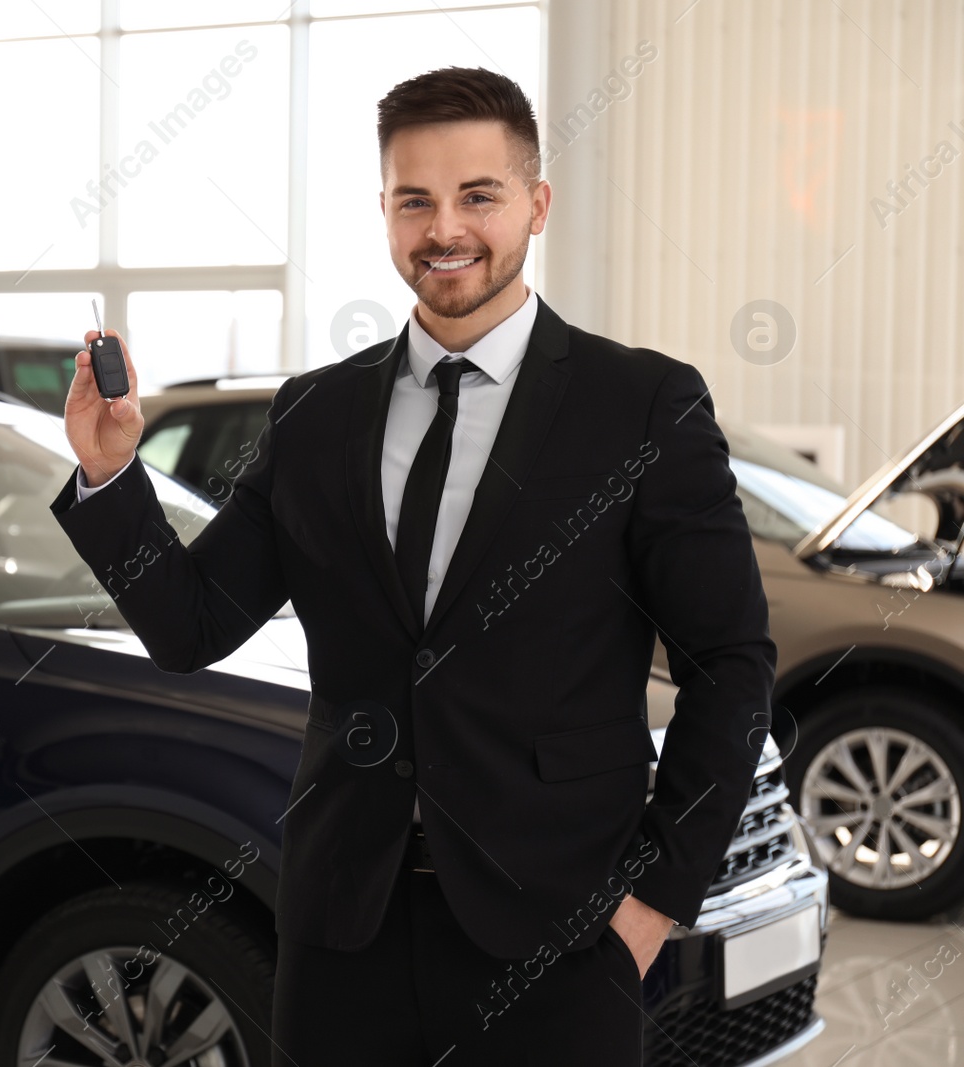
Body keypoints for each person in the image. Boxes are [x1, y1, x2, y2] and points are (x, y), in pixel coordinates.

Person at [49, 65, 775, 1066]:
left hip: (561, 936)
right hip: (345, 929)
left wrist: (651, 901)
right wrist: (108, 475)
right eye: (414, 199)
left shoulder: (640, 407)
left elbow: (731, 666)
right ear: (384, 212)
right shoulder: (315, 413)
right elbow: (192, 624)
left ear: (535, 204)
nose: (446, 228)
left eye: (478, 195)